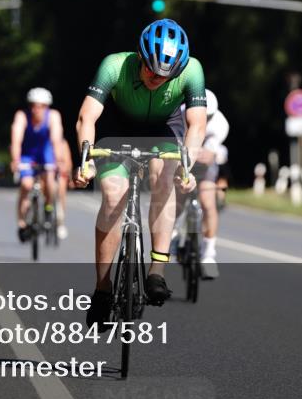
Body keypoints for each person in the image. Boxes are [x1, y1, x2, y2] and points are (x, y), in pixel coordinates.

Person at [73, 18, 206, 328]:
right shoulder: (114, 66)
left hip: (162, 130)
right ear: (140, 56)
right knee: (113, 195)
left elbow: (197, 125)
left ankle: (157, 271)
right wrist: (85, 159)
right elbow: (86, 116)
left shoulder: (193, 70)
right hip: (118, 128)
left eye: (164, 76)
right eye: (150, 70)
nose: (155, 78)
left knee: (164, 179)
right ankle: (103, 290)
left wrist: (188, 165)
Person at [173, 89, 227, 278]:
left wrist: (203, 155)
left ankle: (209, 254)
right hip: (183, 159)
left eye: (208, 117)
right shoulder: (179, 114)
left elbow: (210, 155)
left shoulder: (220, 125)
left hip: (205, 165)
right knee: (177, 201)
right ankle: (173, 233)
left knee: (208, 202)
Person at [11, 87, 67, 241]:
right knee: (26, 185)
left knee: (49, 179)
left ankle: (49, 207)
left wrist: (60, 161)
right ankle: (22, 223)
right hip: (27, 155)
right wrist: (15, 160)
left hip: (46, 153)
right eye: (34, 105)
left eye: (42, 106)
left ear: (47, 107)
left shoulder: (53, 116)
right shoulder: (22, 116)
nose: (37, 109)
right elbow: (16, 140)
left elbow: (56, 140)